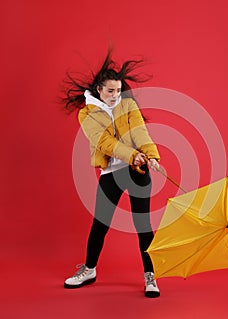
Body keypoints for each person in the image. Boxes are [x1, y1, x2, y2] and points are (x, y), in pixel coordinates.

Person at [61, 49, 160, 298]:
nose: (115, 95)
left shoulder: (128, 104)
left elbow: (140, 131)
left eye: (118, 90)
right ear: (98, 89)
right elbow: (103, 142)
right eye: (110, 91)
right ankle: (89, 270)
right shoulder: (87, 113)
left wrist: (151, 154)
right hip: (112, 173)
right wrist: (130, 154)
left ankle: (150, 276)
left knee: (143, 225)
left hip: (137, 170)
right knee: (100, 224)